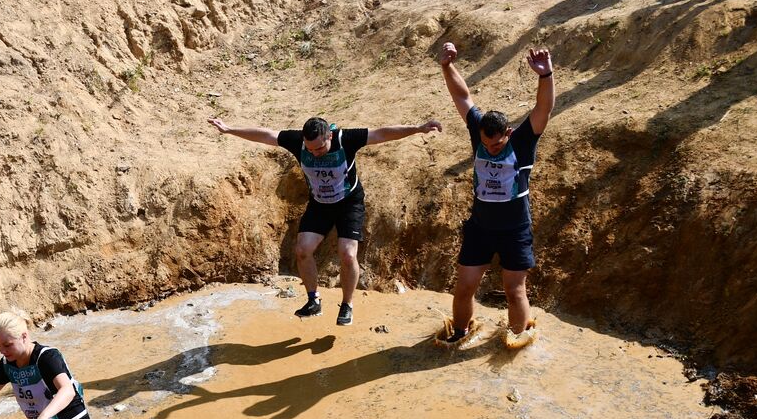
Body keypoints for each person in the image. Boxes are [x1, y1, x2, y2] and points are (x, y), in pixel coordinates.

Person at [208, 114, 442, 326]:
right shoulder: (297, 142)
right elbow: (266, 135)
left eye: (320, 148)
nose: (315, 153)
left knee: (347, 253)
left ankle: (347, 305)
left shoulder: (344, 139)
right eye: (310, 150)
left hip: (349, 202)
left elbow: (382, 133)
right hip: (320, 204)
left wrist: (418, 128)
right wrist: (229, 130)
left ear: (329, 135)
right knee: (302, 250)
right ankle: (313, 301)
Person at [436, 42, 556, 348]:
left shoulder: (524, 140)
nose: (491, 149)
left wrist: (546, 75)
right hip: (480, 228)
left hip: (515, 230)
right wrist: (447, 66)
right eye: (486, 145)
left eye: (497, 145)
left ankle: (517, 342)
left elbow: (543, 109)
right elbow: (462, 97)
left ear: (508, 134)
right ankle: (460, 336)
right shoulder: (479, 130)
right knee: (464, 287)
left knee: (514, 290)